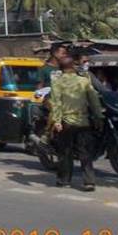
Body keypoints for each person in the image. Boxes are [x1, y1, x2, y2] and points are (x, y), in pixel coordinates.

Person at [50, 57, 104, 191]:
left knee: (65, 152)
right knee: (85, 152)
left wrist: (57, 121)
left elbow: (56, 103)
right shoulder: (84, 81)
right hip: (83, 122)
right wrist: (99, 117)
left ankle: (64, 180)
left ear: (61, 69)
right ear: (73, 66)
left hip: (66, 123)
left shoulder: (57, 82)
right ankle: (89, 182)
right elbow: (94, 101)